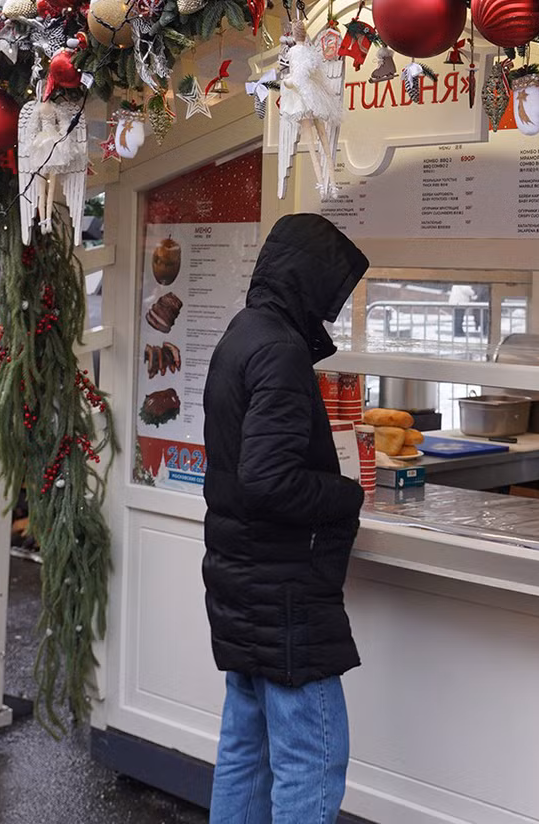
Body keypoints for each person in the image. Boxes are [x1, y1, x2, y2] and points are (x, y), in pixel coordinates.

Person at [203, 213, 370, 824]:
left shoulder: (243, 333)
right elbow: (270, 479)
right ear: (309, 280)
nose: (334, 306)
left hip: (241, 581)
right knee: (313, 757)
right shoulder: (279, 350)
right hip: (285, 595)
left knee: (246, 750)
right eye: (334, 288)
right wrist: (344, 496)